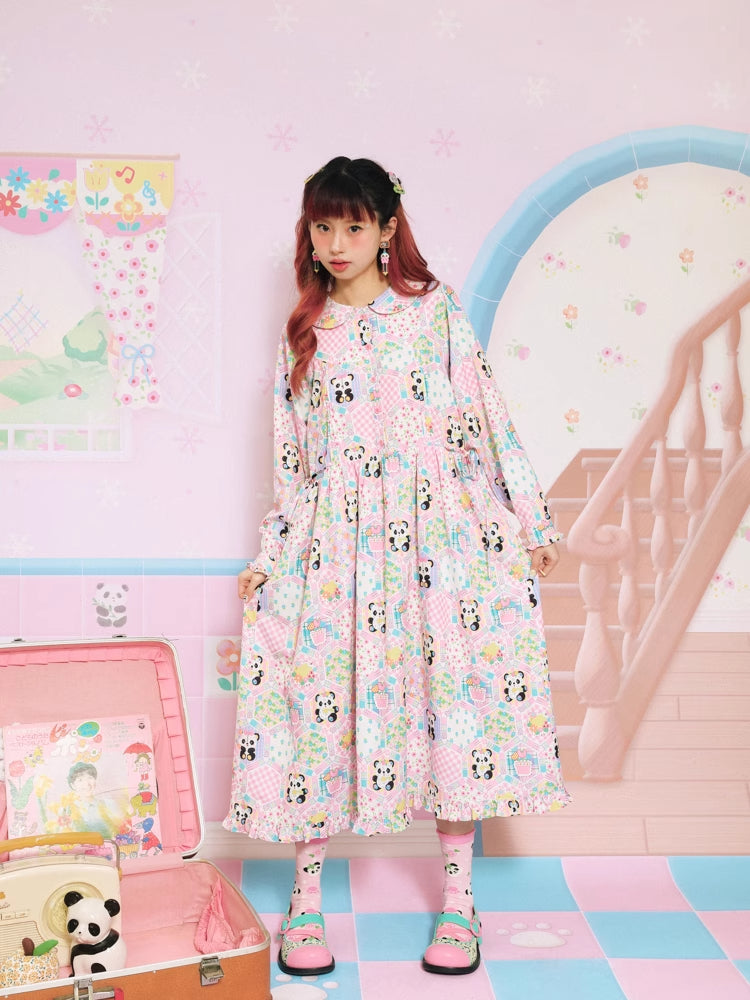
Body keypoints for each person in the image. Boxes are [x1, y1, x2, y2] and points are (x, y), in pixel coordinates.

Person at [224, 156, 570, 977]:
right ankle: (305, 905)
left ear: (386, 229)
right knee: (318, 707)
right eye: (322, 226)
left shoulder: (434, 313)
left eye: (353, 225)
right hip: (335, 544)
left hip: (439, 539)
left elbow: (488, 415)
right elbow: (292, 460)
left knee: (453, 705)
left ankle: (459, 903)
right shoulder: (306, 330)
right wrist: (272, 553)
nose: (336, 242)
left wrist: (530, 518)